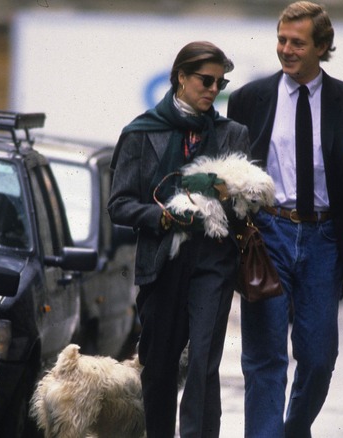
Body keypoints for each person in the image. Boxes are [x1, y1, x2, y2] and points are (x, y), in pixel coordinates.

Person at [227, 2, 343, 436]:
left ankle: (294, 428)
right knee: (265, 356)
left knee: (318, 357)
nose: (286, 50)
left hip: (324, 240)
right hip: (267, 234)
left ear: (322, 46)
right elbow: (232, 171)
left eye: (297, 42)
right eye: (281, 39)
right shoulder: (248, 99)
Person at [107, 41, 249, 438]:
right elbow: (118, 205)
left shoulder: (232, 134)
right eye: (205, 80)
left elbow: (247, 205)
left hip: (214, 259)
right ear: (181, 77)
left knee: (203, 361)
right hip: (161, 262)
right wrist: (160, 215)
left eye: (220, 83)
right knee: (161, 364)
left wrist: (231, 194)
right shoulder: (140, 132)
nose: (212, 89)